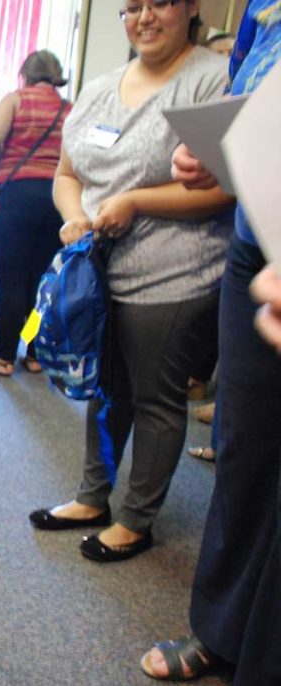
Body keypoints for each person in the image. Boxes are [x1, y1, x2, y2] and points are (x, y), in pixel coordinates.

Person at [29, 0, 236, 562]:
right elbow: (66, 174)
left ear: (191, 8)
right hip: (99, 275)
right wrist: (74, 213)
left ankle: (137, 520)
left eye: (160, 3)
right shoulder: (101, 87)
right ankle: (92, 498)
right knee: (103, 391)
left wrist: (136, 201)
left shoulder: (213, 80)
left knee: (154, 400)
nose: (144, 17)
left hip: (174, 276)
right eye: (131, 7)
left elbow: (225, 188)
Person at [141, 2, 281, 680]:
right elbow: (248, 108)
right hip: (259, 242)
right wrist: (209, 156)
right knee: (243, 449)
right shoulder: (261, 6)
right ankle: (222, 631)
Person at [0, 50, 72, 377]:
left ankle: (4, 359)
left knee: (12, 283)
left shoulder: (16, 100)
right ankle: (32, 353)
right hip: (58, 199)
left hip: (18, 198)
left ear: (25, 74)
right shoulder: (69, 109)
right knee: (41, 285)